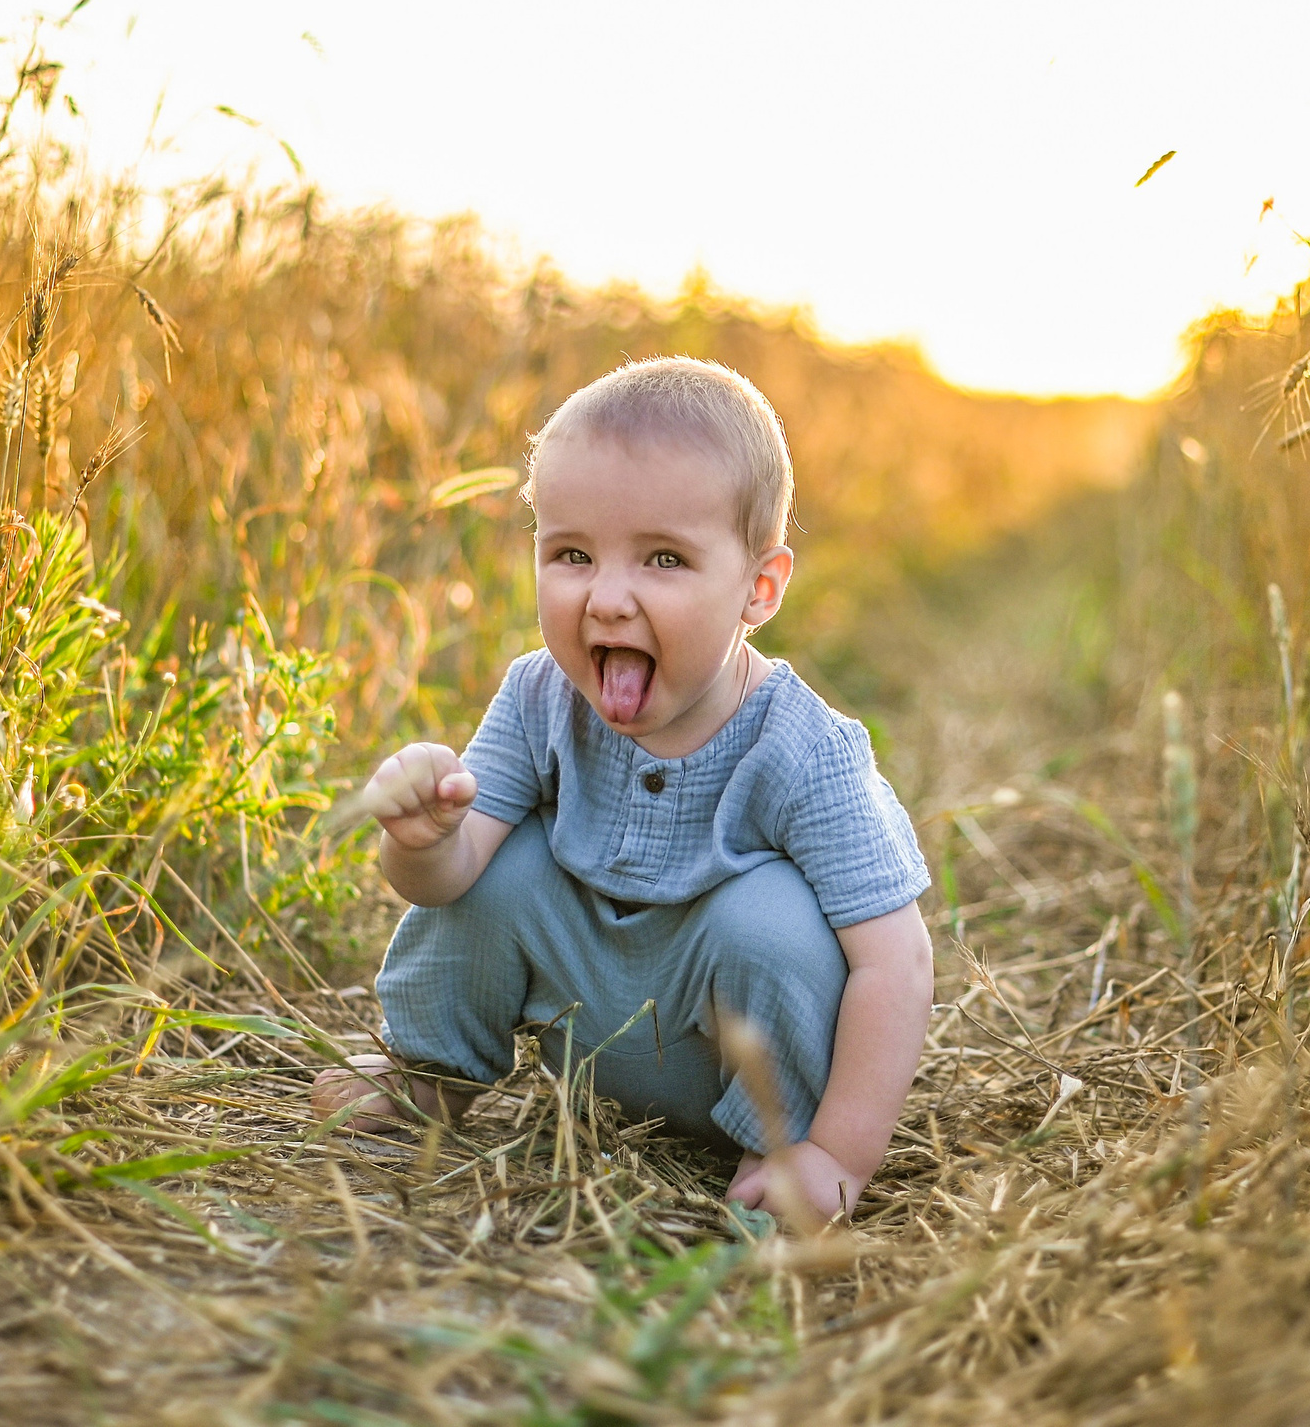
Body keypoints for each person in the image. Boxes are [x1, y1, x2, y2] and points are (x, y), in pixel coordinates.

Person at [311, 356, 934, 1224]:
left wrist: (841, 1152)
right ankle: (431, 1076)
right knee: (505, 866)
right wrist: (420, 840)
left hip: (726, 1052)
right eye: (571, 553)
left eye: (664, 559)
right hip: (589, 1023)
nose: (606, 599)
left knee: (772, 915)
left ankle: (782, 1145)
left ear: (760, 587)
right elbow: (449, 887)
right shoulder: (538, 696)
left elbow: (896, 962)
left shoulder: (804, 747)